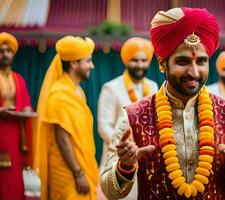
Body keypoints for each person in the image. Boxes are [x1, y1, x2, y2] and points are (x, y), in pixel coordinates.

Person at [100, 7, 225, 200]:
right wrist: (125, 167)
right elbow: (109, 191)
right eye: (183, 62)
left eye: (201, 61)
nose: (194, 72)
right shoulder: (133, 116)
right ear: (162, 64)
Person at [33, 36, 99, 200]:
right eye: (88, 61)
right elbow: (62, 137)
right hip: (68, 171)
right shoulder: (59, 93)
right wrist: (78, 173)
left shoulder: (77, 91)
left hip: (82, 166)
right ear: (74, 63)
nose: (92, 65)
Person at [98, 37, 157, 199]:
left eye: (144, 60)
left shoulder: (153, 87)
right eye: (134, 60)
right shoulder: (111, 88)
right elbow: (104, 126)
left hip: (145, 159)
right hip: (118, 156)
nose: (140, 65)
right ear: (125, 61)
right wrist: (125, 147)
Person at [0, 32, 33, 200]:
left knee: (14, 174)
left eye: (8, 50)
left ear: (13, 53)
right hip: (0, 131)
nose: (5, 54)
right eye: (1, 50)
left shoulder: (19, 79)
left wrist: (27, 110)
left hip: (16, 134)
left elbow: (26, 104)